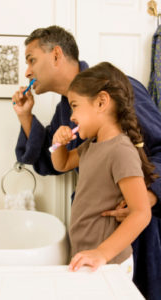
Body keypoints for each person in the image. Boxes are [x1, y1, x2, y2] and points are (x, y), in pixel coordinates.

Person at [12, 26, 161, 299]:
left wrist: (149, 196)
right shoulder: (66, 113)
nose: (27, 72)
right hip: (90, 237)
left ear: (56, 54)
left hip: (128, 235)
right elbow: (53, 161)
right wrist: (26, 117)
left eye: (31, 59)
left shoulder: (118, 90)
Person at [51, 62, 154, 275]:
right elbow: (61, 164)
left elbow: (141, 213)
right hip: (89, 256)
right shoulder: (91, 145)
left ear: (101, 102)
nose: (71, 116)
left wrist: (102, 253)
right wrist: (58, 143)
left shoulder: (121, 150)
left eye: (75, 105)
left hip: (109, 263)